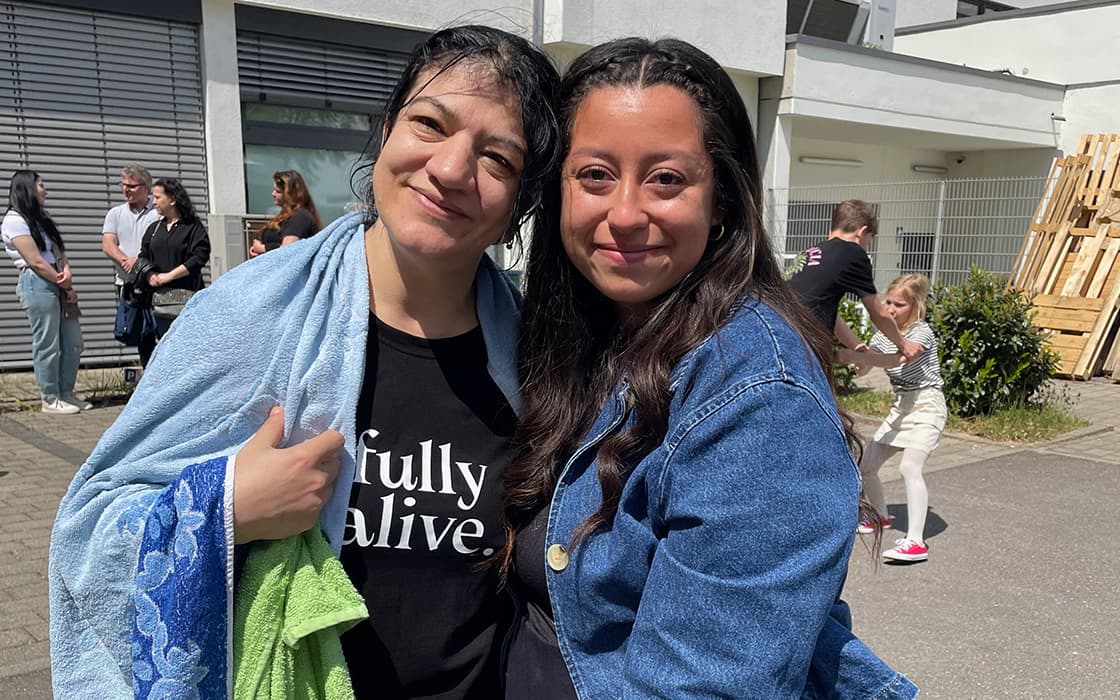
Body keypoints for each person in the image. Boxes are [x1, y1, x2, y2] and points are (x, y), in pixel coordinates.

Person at [48, 25, 561, 699]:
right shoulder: (248, 314)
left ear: (520, 204)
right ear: (385, 131)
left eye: (497, 158)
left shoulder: (538, 355)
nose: (450, 169)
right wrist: (226, 505)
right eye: (430, 124)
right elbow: (84, 535)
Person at [500, 38, 917, 698]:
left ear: (720, 201)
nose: (626, 212)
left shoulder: (756, 397)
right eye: (595, 175)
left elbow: (703, 685)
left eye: (666, 179)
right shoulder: (583, 337)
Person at [839, 274, 945, 563]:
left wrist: (848, 355)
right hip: (901, 407)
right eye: (887, 302)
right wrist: (856, 358)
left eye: (899, 304)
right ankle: (881, 517)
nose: (890, 308)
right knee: (867, 467)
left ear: (916, 306)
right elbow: (866, 367)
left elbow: (902, 359)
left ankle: (915, 542)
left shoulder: (921, 333)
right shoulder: (881, 337)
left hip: (927, 404)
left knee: (910, 467)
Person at [788, 199, 923, 363]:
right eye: (869, 241)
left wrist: (857, 346)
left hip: (784, 333)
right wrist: (903, 344)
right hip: (803, 344)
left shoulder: (812, 252)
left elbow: (821, 308)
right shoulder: (852, 253)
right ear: (862, 232)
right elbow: (878, 313)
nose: (866, 247)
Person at [2, 170, 89, 414]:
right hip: (38, 281)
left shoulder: (41, 219)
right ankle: (50, 398)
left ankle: (66, 393)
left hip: (57, 279)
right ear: (27, 188)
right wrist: (62, 282)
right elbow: (36, 261)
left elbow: (58, 251)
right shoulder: (14, 220)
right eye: (41, 185)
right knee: (47, 343)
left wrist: (67, 275)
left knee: (73, 341)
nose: (45, 190)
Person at [102, 164, 161, 366]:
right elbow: (108, 244)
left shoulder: (158, 211)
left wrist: (141, 264)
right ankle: (148, 378)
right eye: (124, 185)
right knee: (140, 334)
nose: (126, 189)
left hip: (155, 282)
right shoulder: (115, 213)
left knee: (161, 330)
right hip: (128, 283)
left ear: (145, 188)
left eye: (132, 186)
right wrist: (126, 262)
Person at [140, 177, 211, 341]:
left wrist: (170, 276)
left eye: (158, 197)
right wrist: (150, 275)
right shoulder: (155, 229)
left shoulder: (192, 227)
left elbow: (199, 256)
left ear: (172, 199)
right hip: (159, 302)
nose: (154, 202)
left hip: (187, 298)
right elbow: (143, 255)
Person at [248, 169, 323, 257]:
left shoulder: (300, 217)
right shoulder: (286, 216)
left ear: (289, 194)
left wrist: (262, 248)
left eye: (278, 191)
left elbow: (288, 250)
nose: (273, 194)